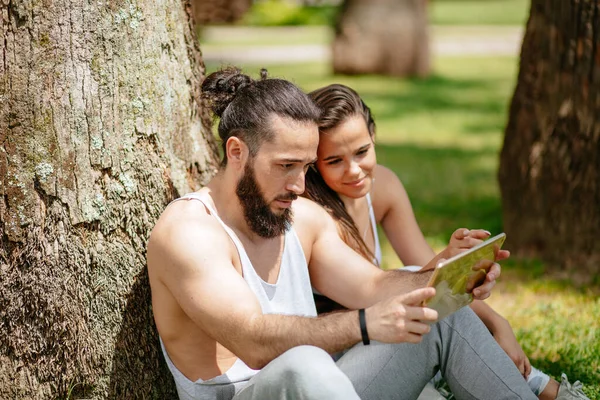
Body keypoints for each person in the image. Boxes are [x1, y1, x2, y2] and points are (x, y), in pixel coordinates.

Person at [147, 66, 539, 400]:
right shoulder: (189, 233)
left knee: (441, 314)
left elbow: (375, 285)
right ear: (237, 153)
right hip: (255, 391)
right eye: (285, 166)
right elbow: (255, 341)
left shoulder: (301, 218)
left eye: (305, 167)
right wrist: (365, 324)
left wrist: (452, 275)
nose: (300, 185)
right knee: (303, 363)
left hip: (327, 388)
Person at [303, 83, 590, 400]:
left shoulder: (381, 186)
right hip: (346, 363)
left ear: (373, 137)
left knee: (450, 328)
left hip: (393, 340)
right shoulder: (313, 214)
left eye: (362, 151)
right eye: (334, 161)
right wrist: (441, 265)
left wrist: (496, 320)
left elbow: (422, 279)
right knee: (442, 334)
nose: (354, 170)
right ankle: (542, 388)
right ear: (314, 163)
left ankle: (537, 385)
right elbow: (379, 294)